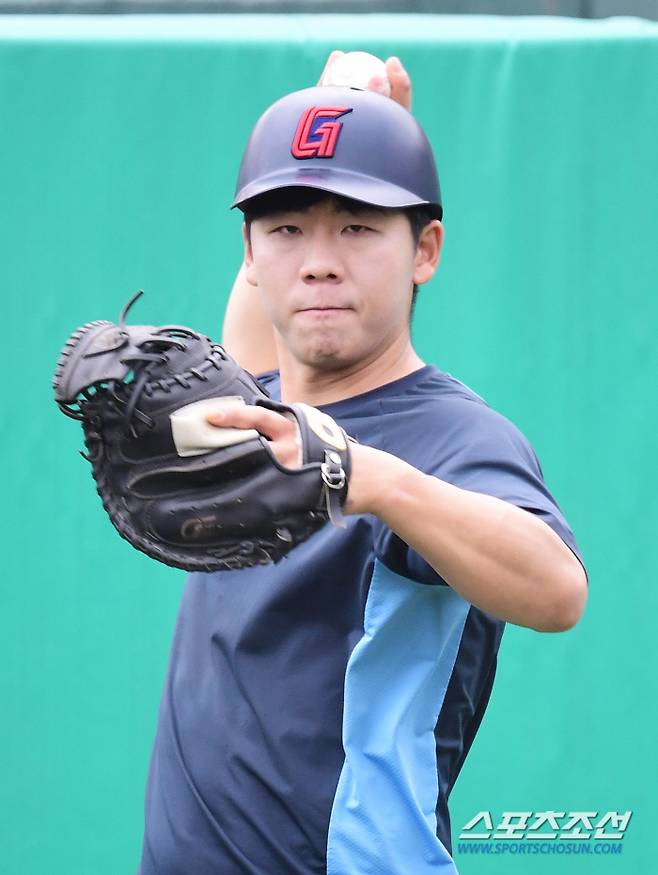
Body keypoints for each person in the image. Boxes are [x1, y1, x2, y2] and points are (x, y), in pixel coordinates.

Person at [137, 53, 588, 875]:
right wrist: (353, 119)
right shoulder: (264, 398)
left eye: (357, 225)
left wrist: (372, 478)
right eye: (285, 229)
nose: (317, 260)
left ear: (426, 250)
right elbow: (266, 326)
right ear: (249, 249)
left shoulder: (454, 438)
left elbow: (556, 590)